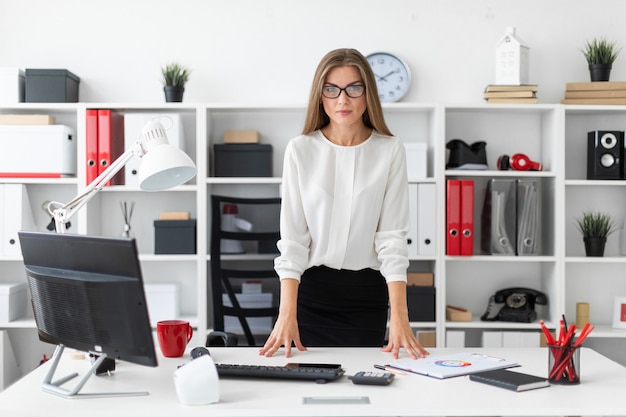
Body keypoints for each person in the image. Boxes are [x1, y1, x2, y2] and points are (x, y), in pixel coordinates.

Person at [259, 48, 429, 360]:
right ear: (320, 95)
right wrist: (287, 314)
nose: (343, 100)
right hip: (310, 294)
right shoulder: (300, 150)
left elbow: (391, 240)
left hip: (367, 296)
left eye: (354, 88)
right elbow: (294, 242)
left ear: (368, 93)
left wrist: (400, 317)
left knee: (365, 389)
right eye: (331, 89)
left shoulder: (390, 150)